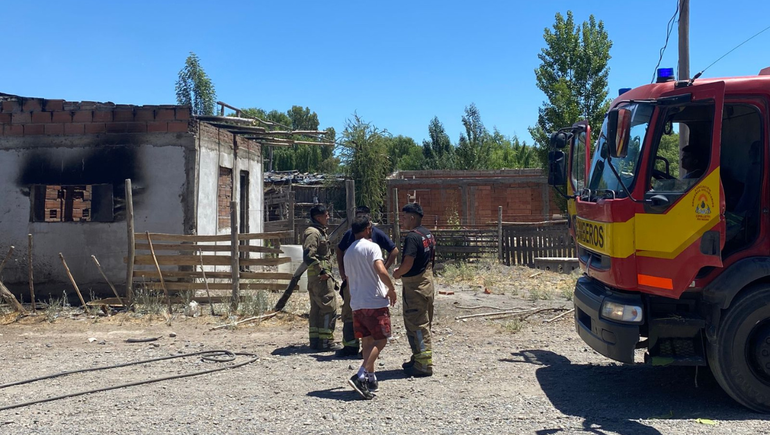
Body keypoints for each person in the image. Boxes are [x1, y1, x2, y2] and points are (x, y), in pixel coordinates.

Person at [344, 216, 397, 400]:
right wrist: (391, 288)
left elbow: (348, 279)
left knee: (367, 341)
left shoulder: (348, 252)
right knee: (381, 339)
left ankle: (371, 378)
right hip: (374, 301)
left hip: (357, 303)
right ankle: (361, 375)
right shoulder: (372, 247)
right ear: (368, 229)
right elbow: (381, 270)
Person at [335, 206, 399, 358]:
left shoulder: (367, 241)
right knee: (352, 317)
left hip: (365, 290)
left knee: (367, 328)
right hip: (362, 290)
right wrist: (343, 272)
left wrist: (383, 268)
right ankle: (353, 349)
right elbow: (339, 250)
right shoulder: (357, 240)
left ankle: (366, 359)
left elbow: (393, 251)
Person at [392, 202, 436, 377]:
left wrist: (397, 273)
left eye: (404, 217)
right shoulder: (427, 234)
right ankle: (418, 358)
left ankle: (423, 365)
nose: (402, 220)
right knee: (424, 322)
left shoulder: (412, 237)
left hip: (415, 286)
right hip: (427, 282)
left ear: (412, 217)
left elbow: (408, 262)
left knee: (417, 324)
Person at [302, 204, 340, 351]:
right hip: (321, 277)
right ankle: (326, 342)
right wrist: (322, 270)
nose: (328, 217)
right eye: (326, 215)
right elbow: (308, 255)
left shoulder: (319, 232)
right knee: (328, 307)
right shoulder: (313, 233)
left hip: (318, 277)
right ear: (318, 218)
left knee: (317, 308)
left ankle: (316, 341)